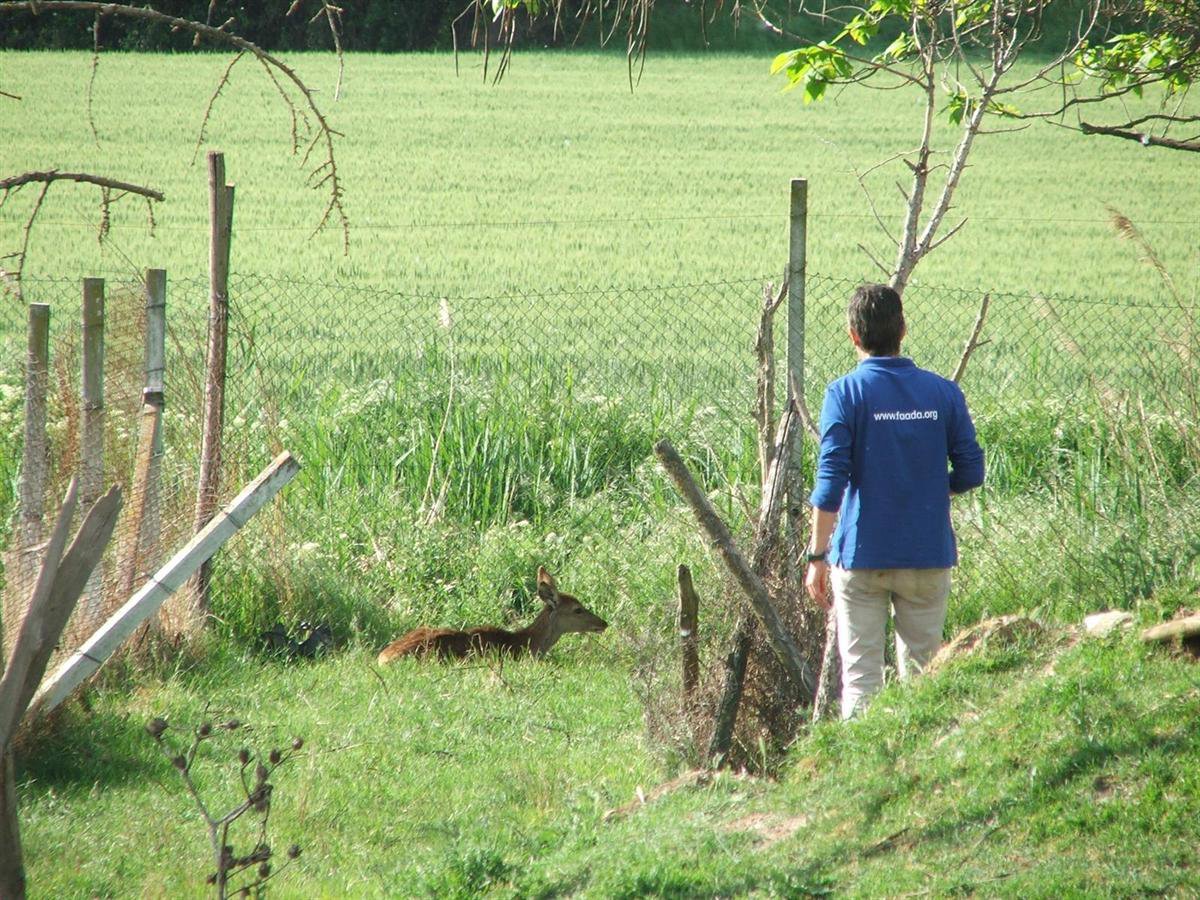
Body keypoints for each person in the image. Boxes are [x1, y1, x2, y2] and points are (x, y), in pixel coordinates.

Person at [804, 283, 985, 720]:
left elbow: (830, 484)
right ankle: (923, 756)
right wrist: (933, 488)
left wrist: (817, 557)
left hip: (862, 557)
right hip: (926, 555)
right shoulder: (943, 393)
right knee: (923, 678)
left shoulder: (844, 394)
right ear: (903, 330)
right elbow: (971, 472)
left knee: (861, 679)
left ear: (853, 336)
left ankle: (861, 760)